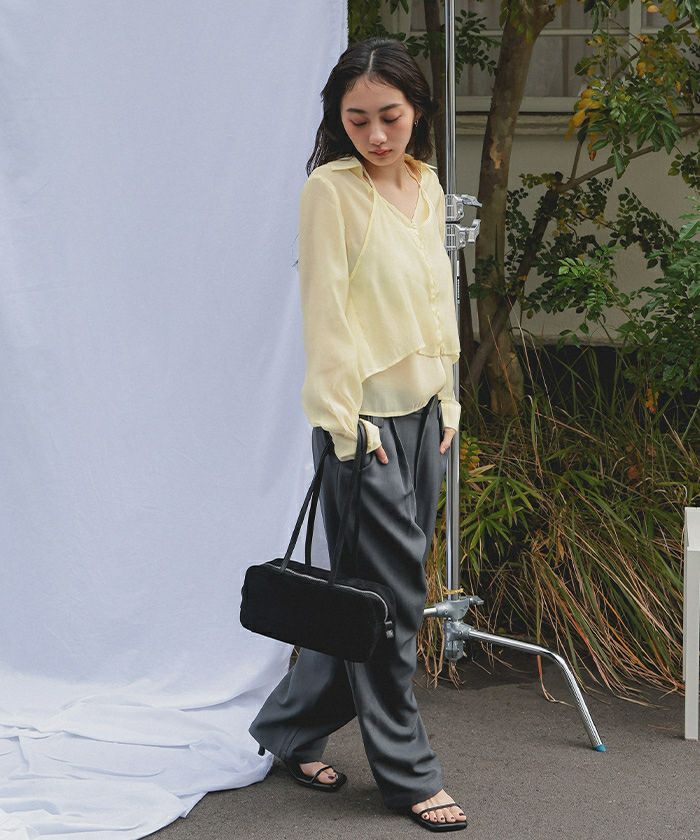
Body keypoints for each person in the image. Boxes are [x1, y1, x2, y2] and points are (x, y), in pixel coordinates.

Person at [248, 36, 468, 832]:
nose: (376, 135)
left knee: (367, 598)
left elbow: (437, 298)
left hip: (425, 421)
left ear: (418, 111)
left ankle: (287, 728)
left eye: (390, 116)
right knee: (395, 605)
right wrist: (347, 424)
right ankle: (410, 776)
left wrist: (447, 398)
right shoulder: (330, 192)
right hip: (363, 429)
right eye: (358, 119)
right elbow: (327, 315)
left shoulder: (428, 184)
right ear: (337, 120)